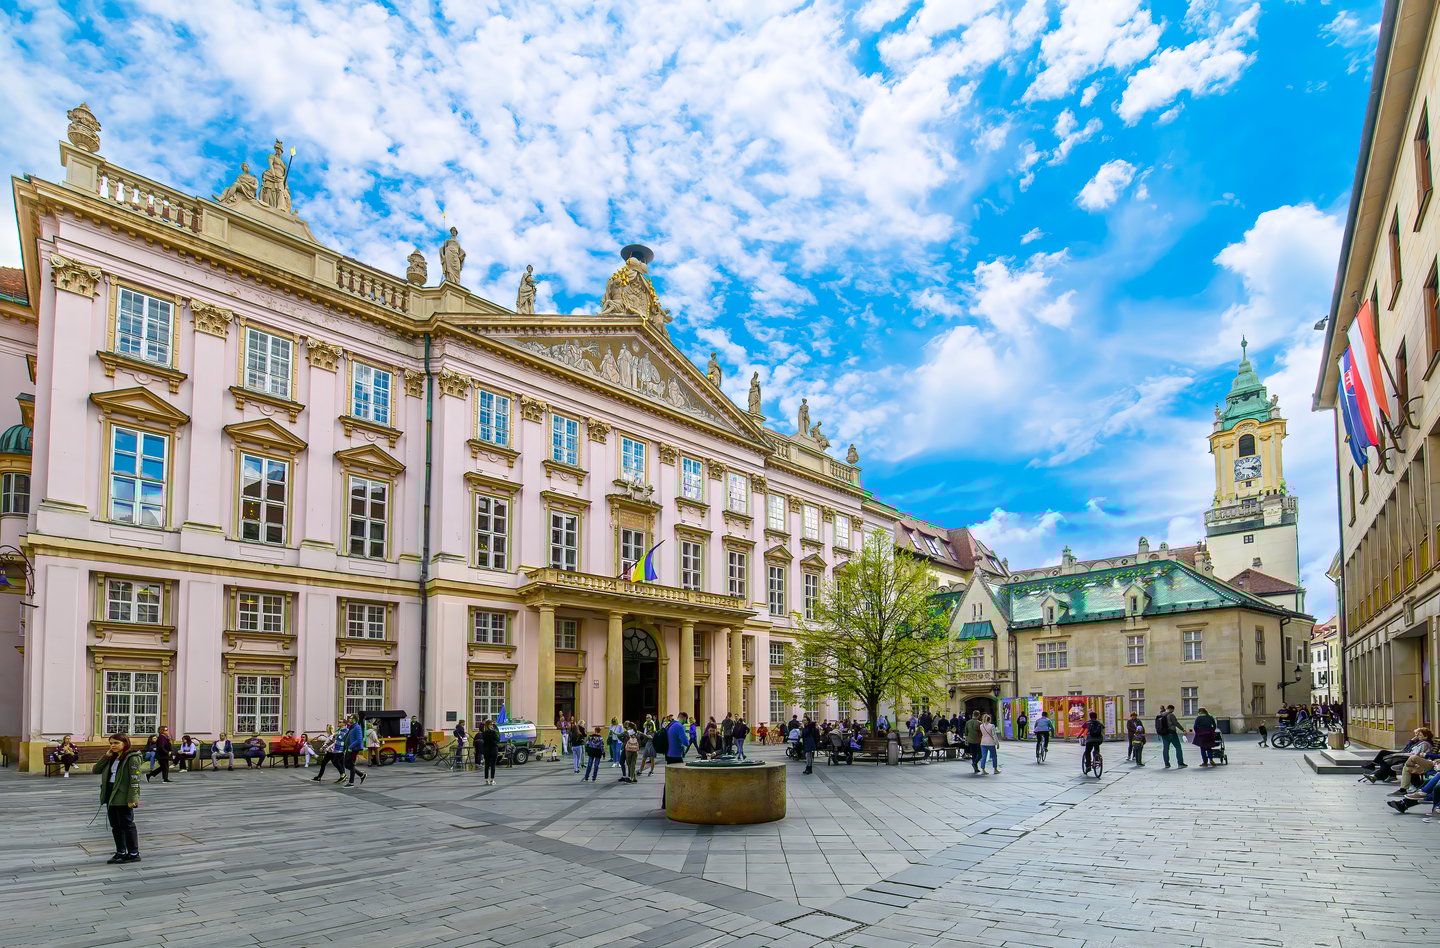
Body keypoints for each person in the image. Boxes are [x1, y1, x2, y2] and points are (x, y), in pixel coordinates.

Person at [93, 734, 142, 864]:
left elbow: (135, 779)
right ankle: (121, 851)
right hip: (110, 792)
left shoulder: (132, 758)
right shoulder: (112, 757)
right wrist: (106, 756)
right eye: (111, 743)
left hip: (123, 795)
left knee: (127, 824)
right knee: (115, 825)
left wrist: (133, 798)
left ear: (125, 743)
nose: (113, 746)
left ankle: (133, 853)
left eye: (116, 743)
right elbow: (96, 770)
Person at [342, 715, 366, 787]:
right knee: (346, 765)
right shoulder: (352, 727)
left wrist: (350, 747)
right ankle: (361, 775)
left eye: (351, 718)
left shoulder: (357, 727)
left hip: (353, 749)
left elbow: (359, 740)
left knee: (351, 765)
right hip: (349, 749)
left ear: (355, 719)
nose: (349, 719)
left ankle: (351, 783)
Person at [479, 719, 500, 786]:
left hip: (486, 750)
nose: (492, 725)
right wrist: (495, 730)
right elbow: (498, 739)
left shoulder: (484, 733)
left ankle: (486, 780)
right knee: (493, 765)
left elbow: (484, 740)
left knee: (487, 765)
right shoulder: (493, 732)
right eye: (491, 724)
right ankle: (492, 780)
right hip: (493, 749)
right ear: (489, 725)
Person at [964, 711, 984, 775]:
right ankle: (975, 763)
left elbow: (966, 732)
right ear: (978, 715)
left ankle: (975, 767)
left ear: (973, 715)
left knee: (973, 754)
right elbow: (982, 733)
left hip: (970, 740)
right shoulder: (980, 723)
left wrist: (966, 739)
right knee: (980, 754)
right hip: (978, 741)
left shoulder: (967, 722)